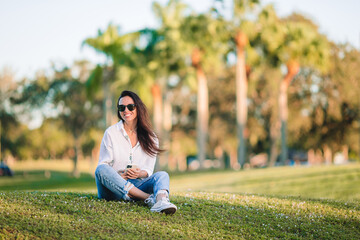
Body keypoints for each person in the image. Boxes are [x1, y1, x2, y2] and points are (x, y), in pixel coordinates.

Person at [95, 90, 177, 214]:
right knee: (100, 169)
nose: (126, 110)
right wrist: (118, 177)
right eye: (122, 107)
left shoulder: (151, 137)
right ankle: (148, 199)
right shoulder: (111, 133)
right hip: (113, 189)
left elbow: (148, 170)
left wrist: (139, 173)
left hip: (137, 183)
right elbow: (104, 166)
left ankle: (162, 201)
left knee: (162, 175)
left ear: (138, 108)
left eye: (130, 106)